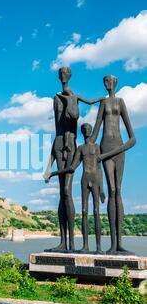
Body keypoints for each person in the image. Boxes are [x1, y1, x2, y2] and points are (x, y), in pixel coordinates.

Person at [44, 66, 105, 252]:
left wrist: (70, 96)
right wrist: (49, 165)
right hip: (59, 143)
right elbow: (57, 129)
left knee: (67, 191)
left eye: (66, 74)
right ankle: (63, 242)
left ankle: (72, 243)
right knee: (62, 195)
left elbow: (73, 116)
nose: (63, 76)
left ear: (69, 76)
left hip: (70, 146)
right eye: (61, 74)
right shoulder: (55, 99)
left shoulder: (72, 97)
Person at [90, 75, 136, 254]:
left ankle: (120, 244)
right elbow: (95, 131)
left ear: (115, 83)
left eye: (110, 81)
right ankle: (112, 244)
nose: (107, 84)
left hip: (117, 149)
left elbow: (132, 138)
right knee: (112, 191)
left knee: (118, 191)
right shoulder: (103, 103)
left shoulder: (120, 102)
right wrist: (85, 149)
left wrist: (112, 153)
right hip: (105, 146)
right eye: (105, 81)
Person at [46, 123, 105, 254]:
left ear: (91, 131)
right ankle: (85, 246)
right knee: (84, 211)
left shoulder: (96, 147)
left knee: (96, 212)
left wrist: (101, 188)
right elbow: (72, 167)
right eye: (84, 129)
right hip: (85, 179)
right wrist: (53, 173)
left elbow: (99, 168)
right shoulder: (80, 148)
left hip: (95, 179)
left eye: (88, 129)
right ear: (82, 132)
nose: (86, 131)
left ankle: (99, 247)